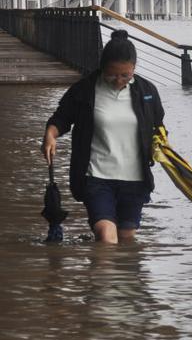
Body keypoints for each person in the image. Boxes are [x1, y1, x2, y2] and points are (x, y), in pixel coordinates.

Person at [42, 30, 165, 244]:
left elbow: (159, 127)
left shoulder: (147, 92)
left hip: (135, 180)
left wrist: (163, 148)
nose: (118, 80)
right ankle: (101, 277)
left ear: (134, 68)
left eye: (125, 75)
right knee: (107, 236)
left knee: (127, 241)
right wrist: (50, 135)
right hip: (96, 177)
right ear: (102, 67)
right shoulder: (85, 90)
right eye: (112, 74)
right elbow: (61, 118)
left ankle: (113, 278)